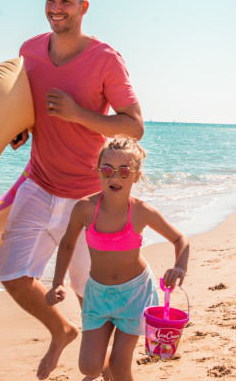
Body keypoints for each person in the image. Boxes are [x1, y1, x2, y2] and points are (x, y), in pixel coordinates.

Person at [0, 0, 144, 380]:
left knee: (90, 297)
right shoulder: (29, 50)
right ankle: (61, 331)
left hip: (87, 197)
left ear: (83, 7)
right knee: (12, 275)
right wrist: (19, 129)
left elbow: (134, 126)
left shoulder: (105, 58)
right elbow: (24, 109)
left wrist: (78, 115)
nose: (55, 8)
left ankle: (107, 371)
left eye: (64, 1)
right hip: (38, 183)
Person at [46, 137, 189, 381]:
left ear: (136, 175)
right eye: (107, 170)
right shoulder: (84, 209)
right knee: (89, 367)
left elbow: (180, 240)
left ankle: (115, 359)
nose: (115, 177)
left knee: (121, 367)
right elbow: (68, 243)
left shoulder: (141, 211)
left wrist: (179, 266)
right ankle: (109, 356)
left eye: (124, 171)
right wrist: (58, 282)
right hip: (97, 295)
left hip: (135, 293)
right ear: (98, 172)